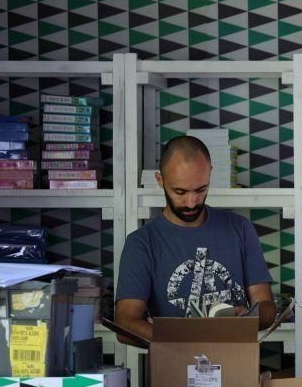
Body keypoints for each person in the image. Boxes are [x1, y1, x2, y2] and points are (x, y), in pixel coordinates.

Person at [114, 135, 276, 343]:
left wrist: (248, 318)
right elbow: (125, 322)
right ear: (160, 180)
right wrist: (188, 338)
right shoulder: (141, 243)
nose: (191, 203)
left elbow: (267, 306)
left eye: (200, 190)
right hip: (173, 367)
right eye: (180, 192)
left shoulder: (240, 229)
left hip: (237, 363)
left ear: (210, 175)